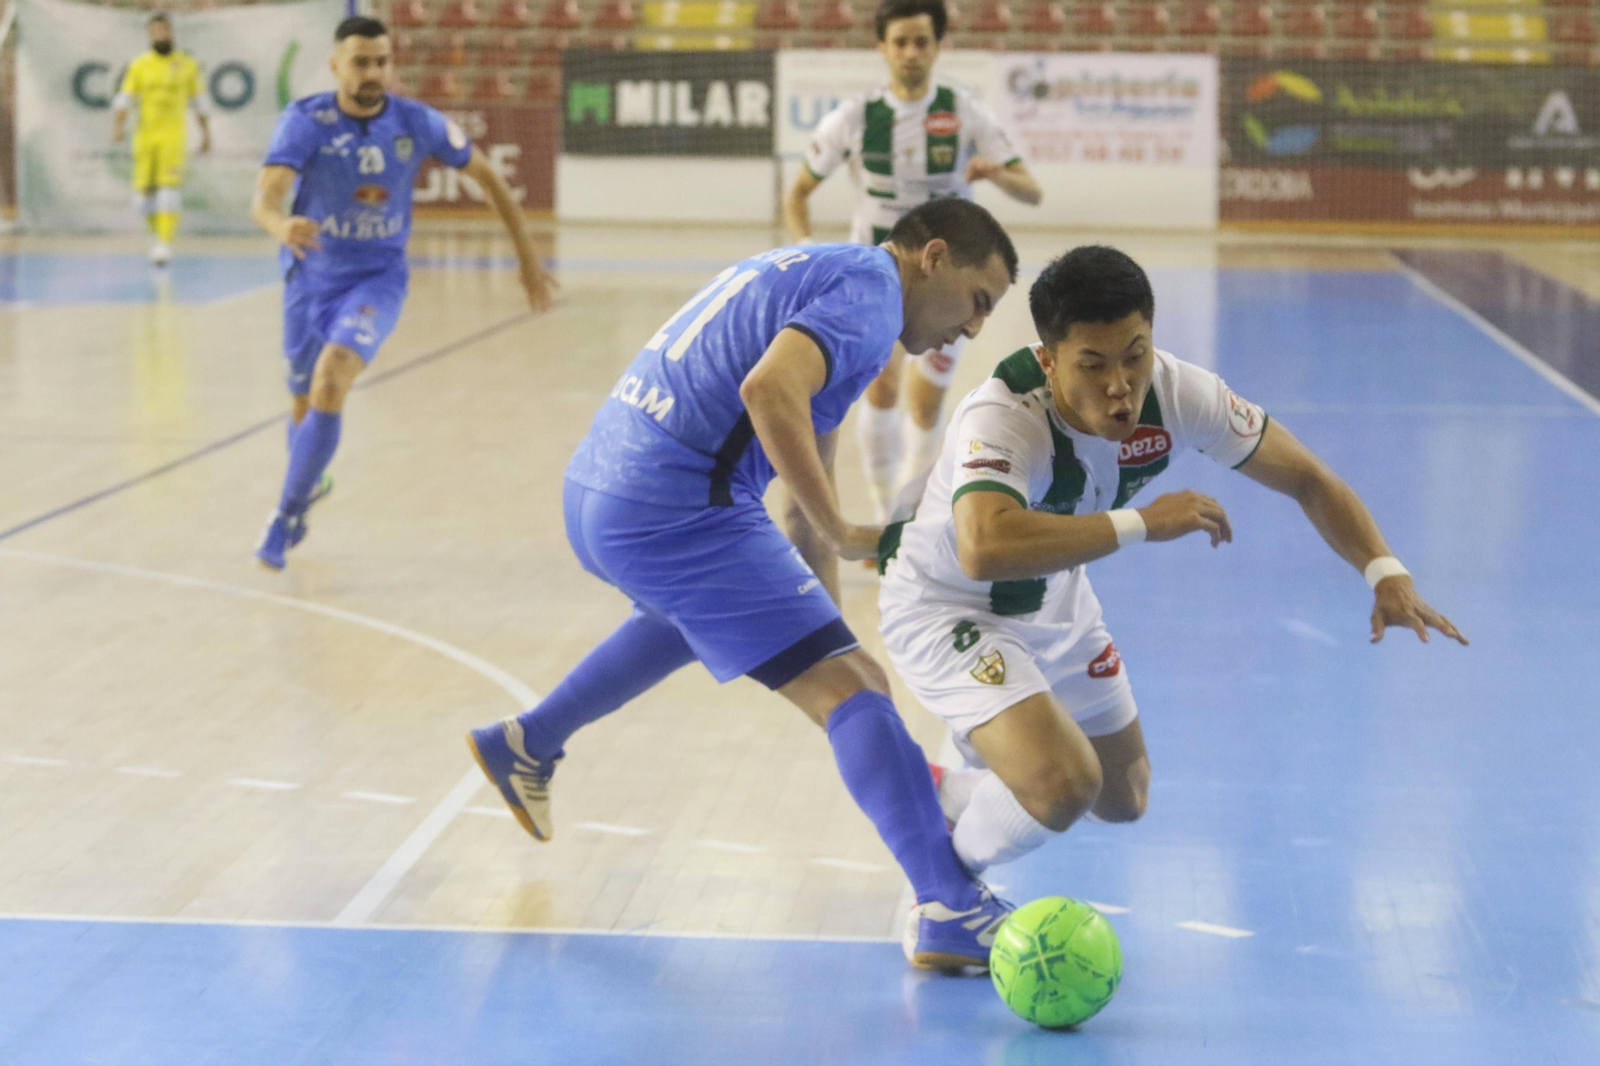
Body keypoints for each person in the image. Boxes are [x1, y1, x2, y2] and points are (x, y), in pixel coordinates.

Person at [469, 199, 1021, 971]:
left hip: (598, 490)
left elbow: (801, 496)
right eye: (978, 300)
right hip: (673, 505)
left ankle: (528, 741)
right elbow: (769, 391)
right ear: (932, 258)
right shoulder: (870, 302)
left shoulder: (830, 275)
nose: (974, 328)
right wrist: (845, 551)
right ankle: (947, 905)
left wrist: (828, 617)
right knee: (855, 687)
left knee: (708, 620)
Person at [875, 245, 1468, 878]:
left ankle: (946, 793)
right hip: (948, 605)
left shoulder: (1182, 394)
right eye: (1093, 364)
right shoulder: (1002, 414)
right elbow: (983, 547)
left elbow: (1308, 477)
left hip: (1054, 596)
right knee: (1063, 784)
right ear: (1049, 361)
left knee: (1122, 796)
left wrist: (1384, 571)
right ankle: (946, 895)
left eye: (1135, 355)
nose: (1120, 384)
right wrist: (1143, 523)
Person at [249, 16, 555, 570]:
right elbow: (264, 200)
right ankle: (308, 485)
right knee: (303, 404)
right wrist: (281, 226)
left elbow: (488, 177)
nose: (373, 72)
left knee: (332, 377)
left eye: (381, 62)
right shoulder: (305, 121)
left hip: (377, 281)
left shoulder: (416, 122)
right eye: (361, 62)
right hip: (308, 279)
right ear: (335, 66)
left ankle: (285, 515)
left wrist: (529, 257)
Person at [783, 0, 1041, 525]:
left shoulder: (964, 112)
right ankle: (886, 516)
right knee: (881, 387)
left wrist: (996, 174)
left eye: (921, 42)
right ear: (881, 48)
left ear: (938, 45)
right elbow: (798, 194)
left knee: (925, 404)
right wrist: (806, 248)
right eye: (899, 42)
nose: (910, 53)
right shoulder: (855, 118)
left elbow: (1031, 192)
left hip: (948, 290)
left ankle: (907, 515)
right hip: (879, 280)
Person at [111, 13, 212, 267]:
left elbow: (200, 102)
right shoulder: (140, 65)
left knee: (168, 192)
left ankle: (165, 243)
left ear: (171, 32)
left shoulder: (187, 64)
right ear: (149, 35)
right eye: (155, 31)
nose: (160, 35)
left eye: (164, 30)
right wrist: (118, 128)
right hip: (145, 137)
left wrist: (206, 134)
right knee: (142, 198)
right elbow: (125, 99)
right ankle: (156, 236)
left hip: (172, 137)